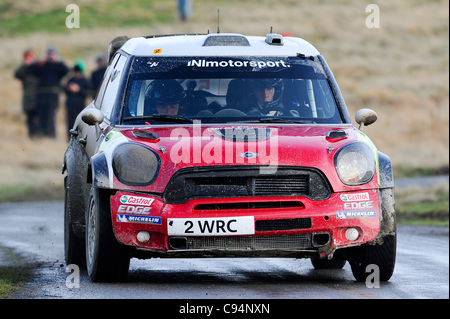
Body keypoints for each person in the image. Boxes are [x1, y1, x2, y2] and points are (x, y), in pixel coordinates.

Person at [30, 45, 69, 138]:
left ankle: (51, 135)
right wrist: (41, 61)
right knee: (41, 115)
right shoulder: (43, 65)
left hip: (52, 96)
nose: (51, 56)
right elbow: (33, 71)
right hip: (41, 96)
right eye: (49, 54)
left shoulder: (58, 66)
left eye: (53, 54)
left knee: (51, 116)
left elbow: (66, 71)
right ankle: (41, 135)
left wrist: (58, 60)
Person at [14, 50, 40, 138]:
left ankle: (38, 136)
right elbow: (16, 74)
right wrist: (24, 65)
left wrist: (34, 63)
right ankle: (31, 136)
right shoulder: (24, 70)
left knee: (38, 119)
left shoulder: (37, 68)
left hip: (37, 99)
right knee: (29, 119)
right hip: (27, 99)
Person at [64, 63, 90, 139]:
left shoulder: (85, 81)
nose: (77, 73)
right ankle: (69, 137)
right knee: (70, 122)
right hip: (70, 105)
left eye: (78, 71)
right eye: (76, 71)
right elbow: (65, 90)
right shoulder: (71, 80)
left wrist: (78, 90)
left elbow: (87, 92)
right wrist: (70, 89)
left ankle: (79, 137)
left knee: (80, 123)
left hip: (80, 106)